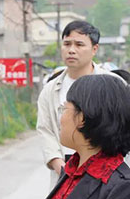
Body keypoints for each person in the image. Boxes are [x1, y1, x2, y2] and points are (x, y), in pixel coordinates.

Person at [37, 21, 121, 186]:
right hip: (64, 170)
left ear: (94, 49)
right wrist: (58, 165)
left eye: (79, 44)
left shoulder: (113, 85)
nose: (71, 50)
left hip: (105, 171)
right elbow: (44, 129)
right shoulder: (49, 90)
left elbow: (124, 125)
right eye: (67, 44)